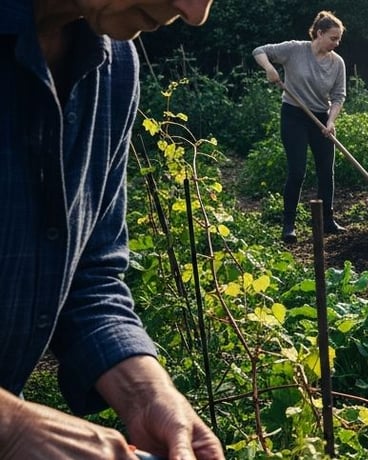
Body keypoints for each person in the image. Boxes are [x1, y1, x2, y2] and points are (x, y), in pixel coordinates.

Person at [0, 0, 225, 459]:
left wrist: (145, 394)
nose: (194, 11)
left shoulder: (113, 67)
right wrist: (12, 427)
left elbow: (90, 274)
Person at [253, 11, 348, 243]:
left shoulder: (337, 63)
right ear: (319, 33)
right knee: (297, 171)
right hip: (294, 115)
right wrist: (269, 68)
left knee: (327, 170)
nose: (337, 43)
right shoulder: (295, 49)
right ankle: (289, 225)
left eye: (338, 39)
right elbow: (259, 51)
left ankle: (327, 220)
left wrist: (331, 121)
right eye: (333, 38)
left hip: (320, 117)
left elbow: (338, 96)